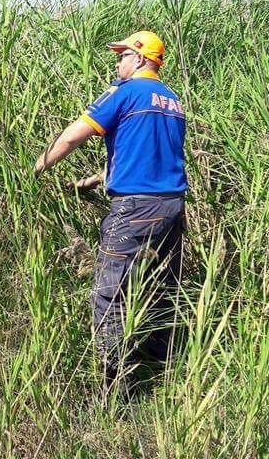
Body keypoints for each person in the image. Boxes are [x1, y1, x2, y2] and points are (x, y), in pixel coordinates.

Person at [33, 30, 187, 397]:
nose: (117, 63)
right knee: (162, 286)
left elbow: (72, 137)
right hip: (171, 205)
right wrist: (97, 178)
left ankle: (116, 387)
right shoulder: (172, 100)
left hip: (134, 208)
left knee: (110, 293)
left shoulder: (124, 92)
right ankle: (161, 365)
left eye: (121, 56)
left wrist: (33, 169)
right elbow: (150, 151)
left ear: (139, 58)